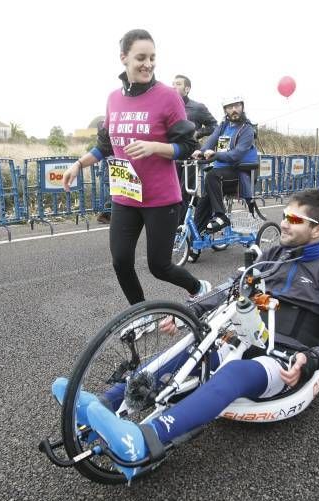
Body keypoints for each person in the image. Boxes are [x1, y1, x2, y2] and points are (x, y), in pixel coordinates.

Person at [53, 190, 319, 479]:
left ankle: (146, 440)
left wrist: (313, 358)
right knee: (186, 353)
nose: (285, 222)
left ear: (317, 230)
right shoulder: (274, 254)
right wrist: (188, 311)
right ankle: (101, 406)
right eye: (286, 215)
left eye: (295, 219)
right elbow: (230, 287)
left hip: (282, 357)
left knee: (235, 373)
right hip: (241, 336)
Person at [61, 29, 210, 305]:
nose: (148, 64)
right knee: (121, 261)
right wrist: (79, 164)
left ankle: (198, 287)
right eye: (141, 57)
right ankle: (140, 314)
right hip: (126, 196)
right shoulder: (113, 99)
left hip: (160, 199)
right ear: (124, 58)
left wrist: (155, 147)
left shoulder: (168, 97)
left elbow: (187, 147)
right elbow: (106, 146)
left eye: (153, 58)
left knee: (159, 266)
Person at [192, 95, 258, 233]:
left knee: (211, 175)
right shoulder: (223, 126)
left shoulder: (247, 130)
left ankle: (220, 216)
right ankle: (195, 245)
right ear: (225, 110)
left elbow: (236, 154)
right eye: (230, 107)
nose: (234, 110)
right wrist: (200, 151)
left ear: (242, 107)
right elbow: (211, 141)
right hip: (220, 175)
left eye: (237, 106)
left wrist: (216, 155)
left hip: (238, 173)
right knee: (201, 208)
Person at [172, 75, 218, 223]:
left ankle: (181, 229)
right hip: (171, 154)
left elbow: (214, 126)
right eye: (172, 84)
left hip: (191, 155)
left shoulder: (197, 107)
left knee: (185, 192)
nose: (173, 86)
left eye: (178, 84)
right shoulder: (168, 106)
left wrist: (198, 133)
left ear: (187, 88)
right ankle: (201, 218)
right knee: (173, 192)